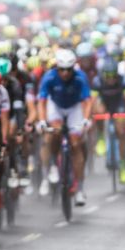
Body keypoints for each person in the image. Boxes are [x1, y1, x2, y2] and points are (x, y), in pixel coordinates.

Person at [37, 49, 93, 206]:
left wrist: (86, 120)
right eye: (62, 69)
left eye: (69, 69)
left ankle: (80, 189)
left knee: (76, 143)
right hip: (56, 106)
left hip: (74, 107)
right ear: (57, 68)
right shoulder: (49, 77)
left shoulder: (80, 77)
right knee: (55, 131)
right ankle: (53, 165)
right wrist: (42, 120)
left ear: (73, 68)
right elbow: (41, 101)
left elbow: (87, 101)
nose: (65, 73)